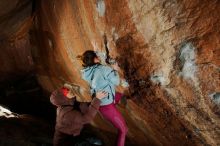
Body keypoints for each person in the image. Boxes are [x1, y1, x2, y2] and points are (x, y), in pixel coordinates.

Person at [80, 50, 128, 146]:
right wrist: (115, 70)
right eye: (96, 55)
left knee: (120, 96)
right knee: (123, 130)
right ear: (95, 59)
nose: (98, 56)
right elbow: (116, 82)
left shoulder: (86, 72)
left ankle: (117, 104)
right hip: (107, 107)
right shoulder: (103, 69)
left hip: (100, 103)